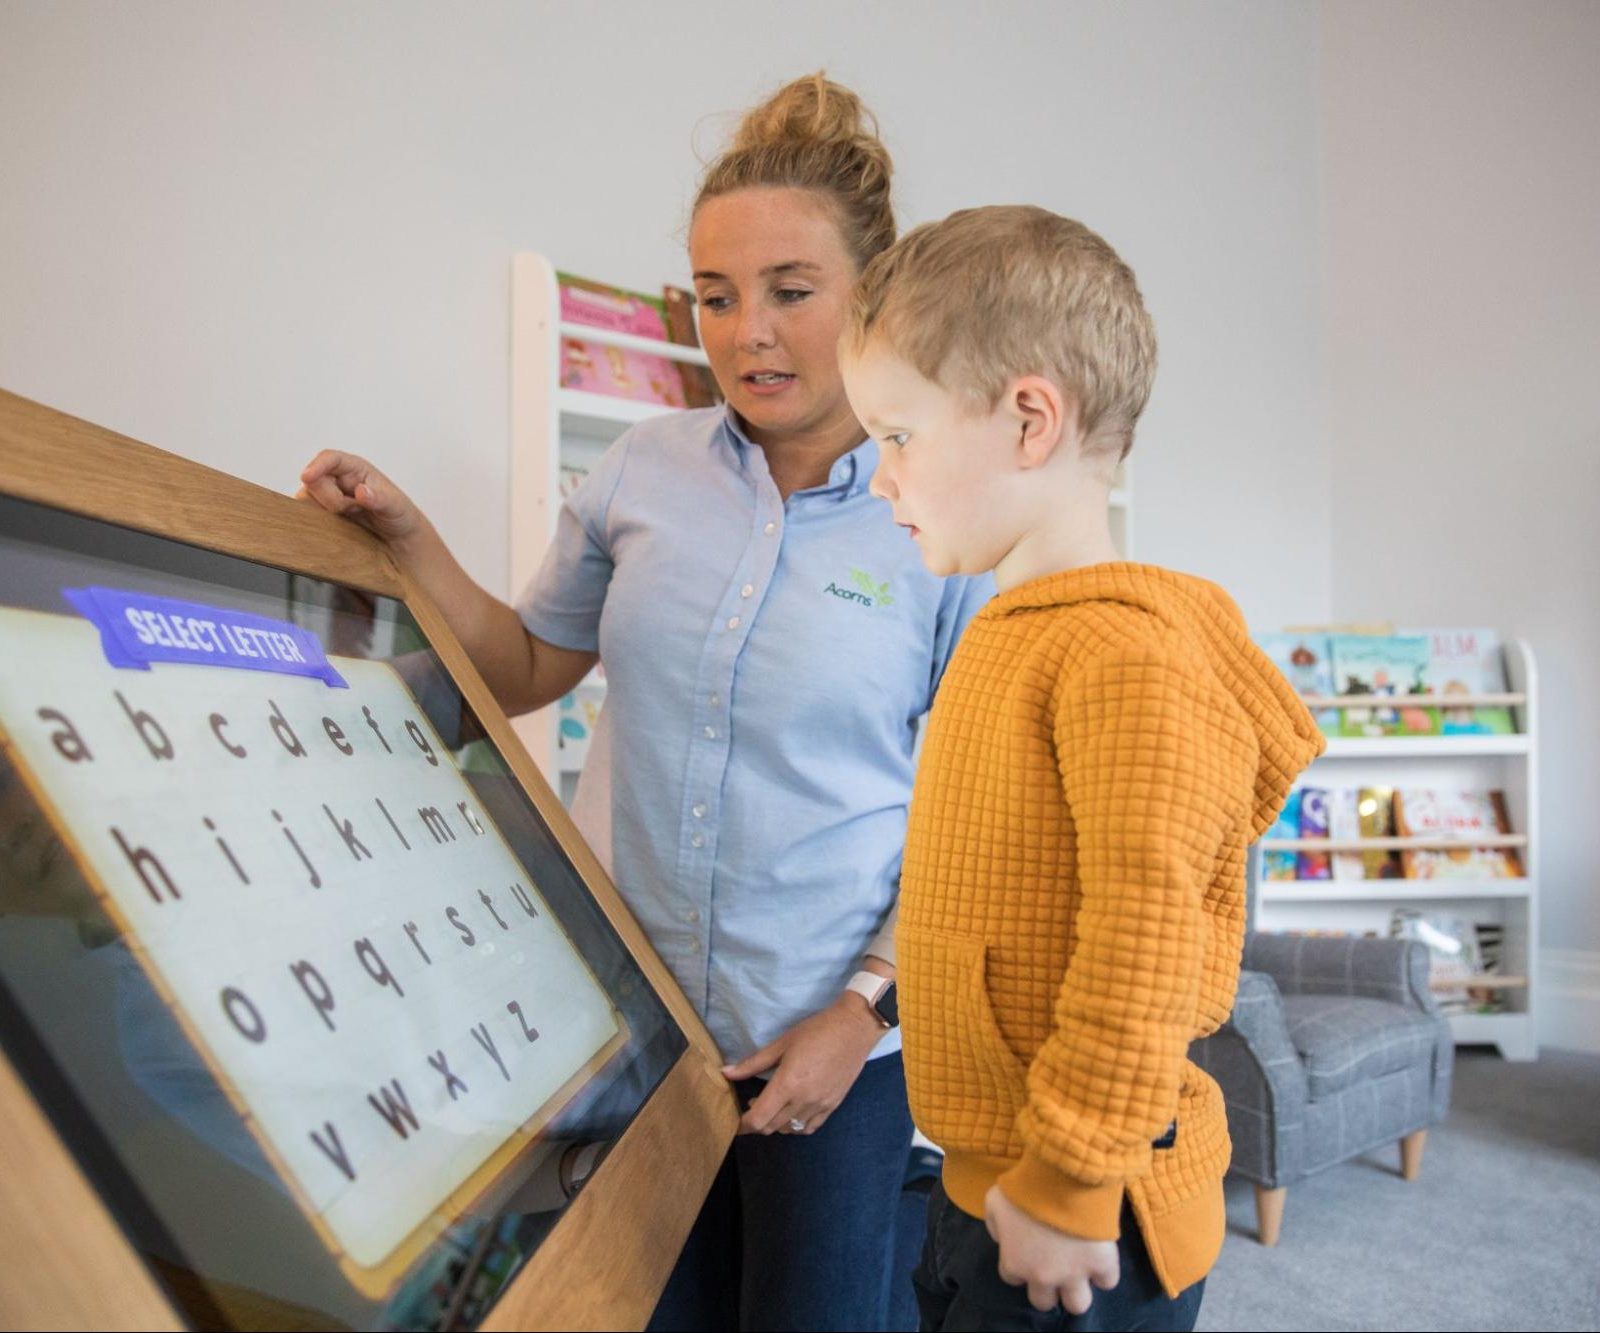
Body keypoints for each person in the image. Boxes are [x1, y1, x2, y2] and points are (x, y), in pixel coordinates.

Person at [298, 73, 992, 1332]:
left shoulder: (939, 516)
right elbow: (519, 668)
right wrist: (406, 533)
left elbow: (968, 818)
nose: (747, 334)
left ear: (873, 295)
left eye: (790, 291)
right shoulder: (641, 471)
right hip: (634, 1030)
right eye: (714, 297)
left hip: (835, 1048)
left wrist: (860, 1011)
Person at [838, 205, 1325, 1331]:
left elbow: (1144, 941)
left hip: (1085, 1203)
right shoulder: (1017, 626)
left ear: (1027, 419)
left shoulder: (1122, 654)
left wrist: (1068, 1181)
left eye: (899, 436)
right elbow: (1005, 890)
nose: (880, 479)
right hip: (987, 1176)